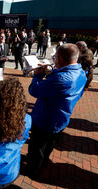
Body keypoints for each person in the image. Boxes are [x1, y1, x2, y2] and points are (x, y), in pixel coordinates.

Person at [26, 43, 87, 176]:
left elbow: (34, 90)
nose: (54, 60)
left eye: (55, 57)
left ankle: (33, 169)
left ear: (60, 58)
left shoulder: (61, 78)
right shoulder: (81, 72)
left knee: (37, 146)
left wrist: (37, 75)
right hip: (61, 117)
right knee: (48, 145)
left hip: (46, 119)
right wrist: (52, 72)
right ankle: (42, 162)